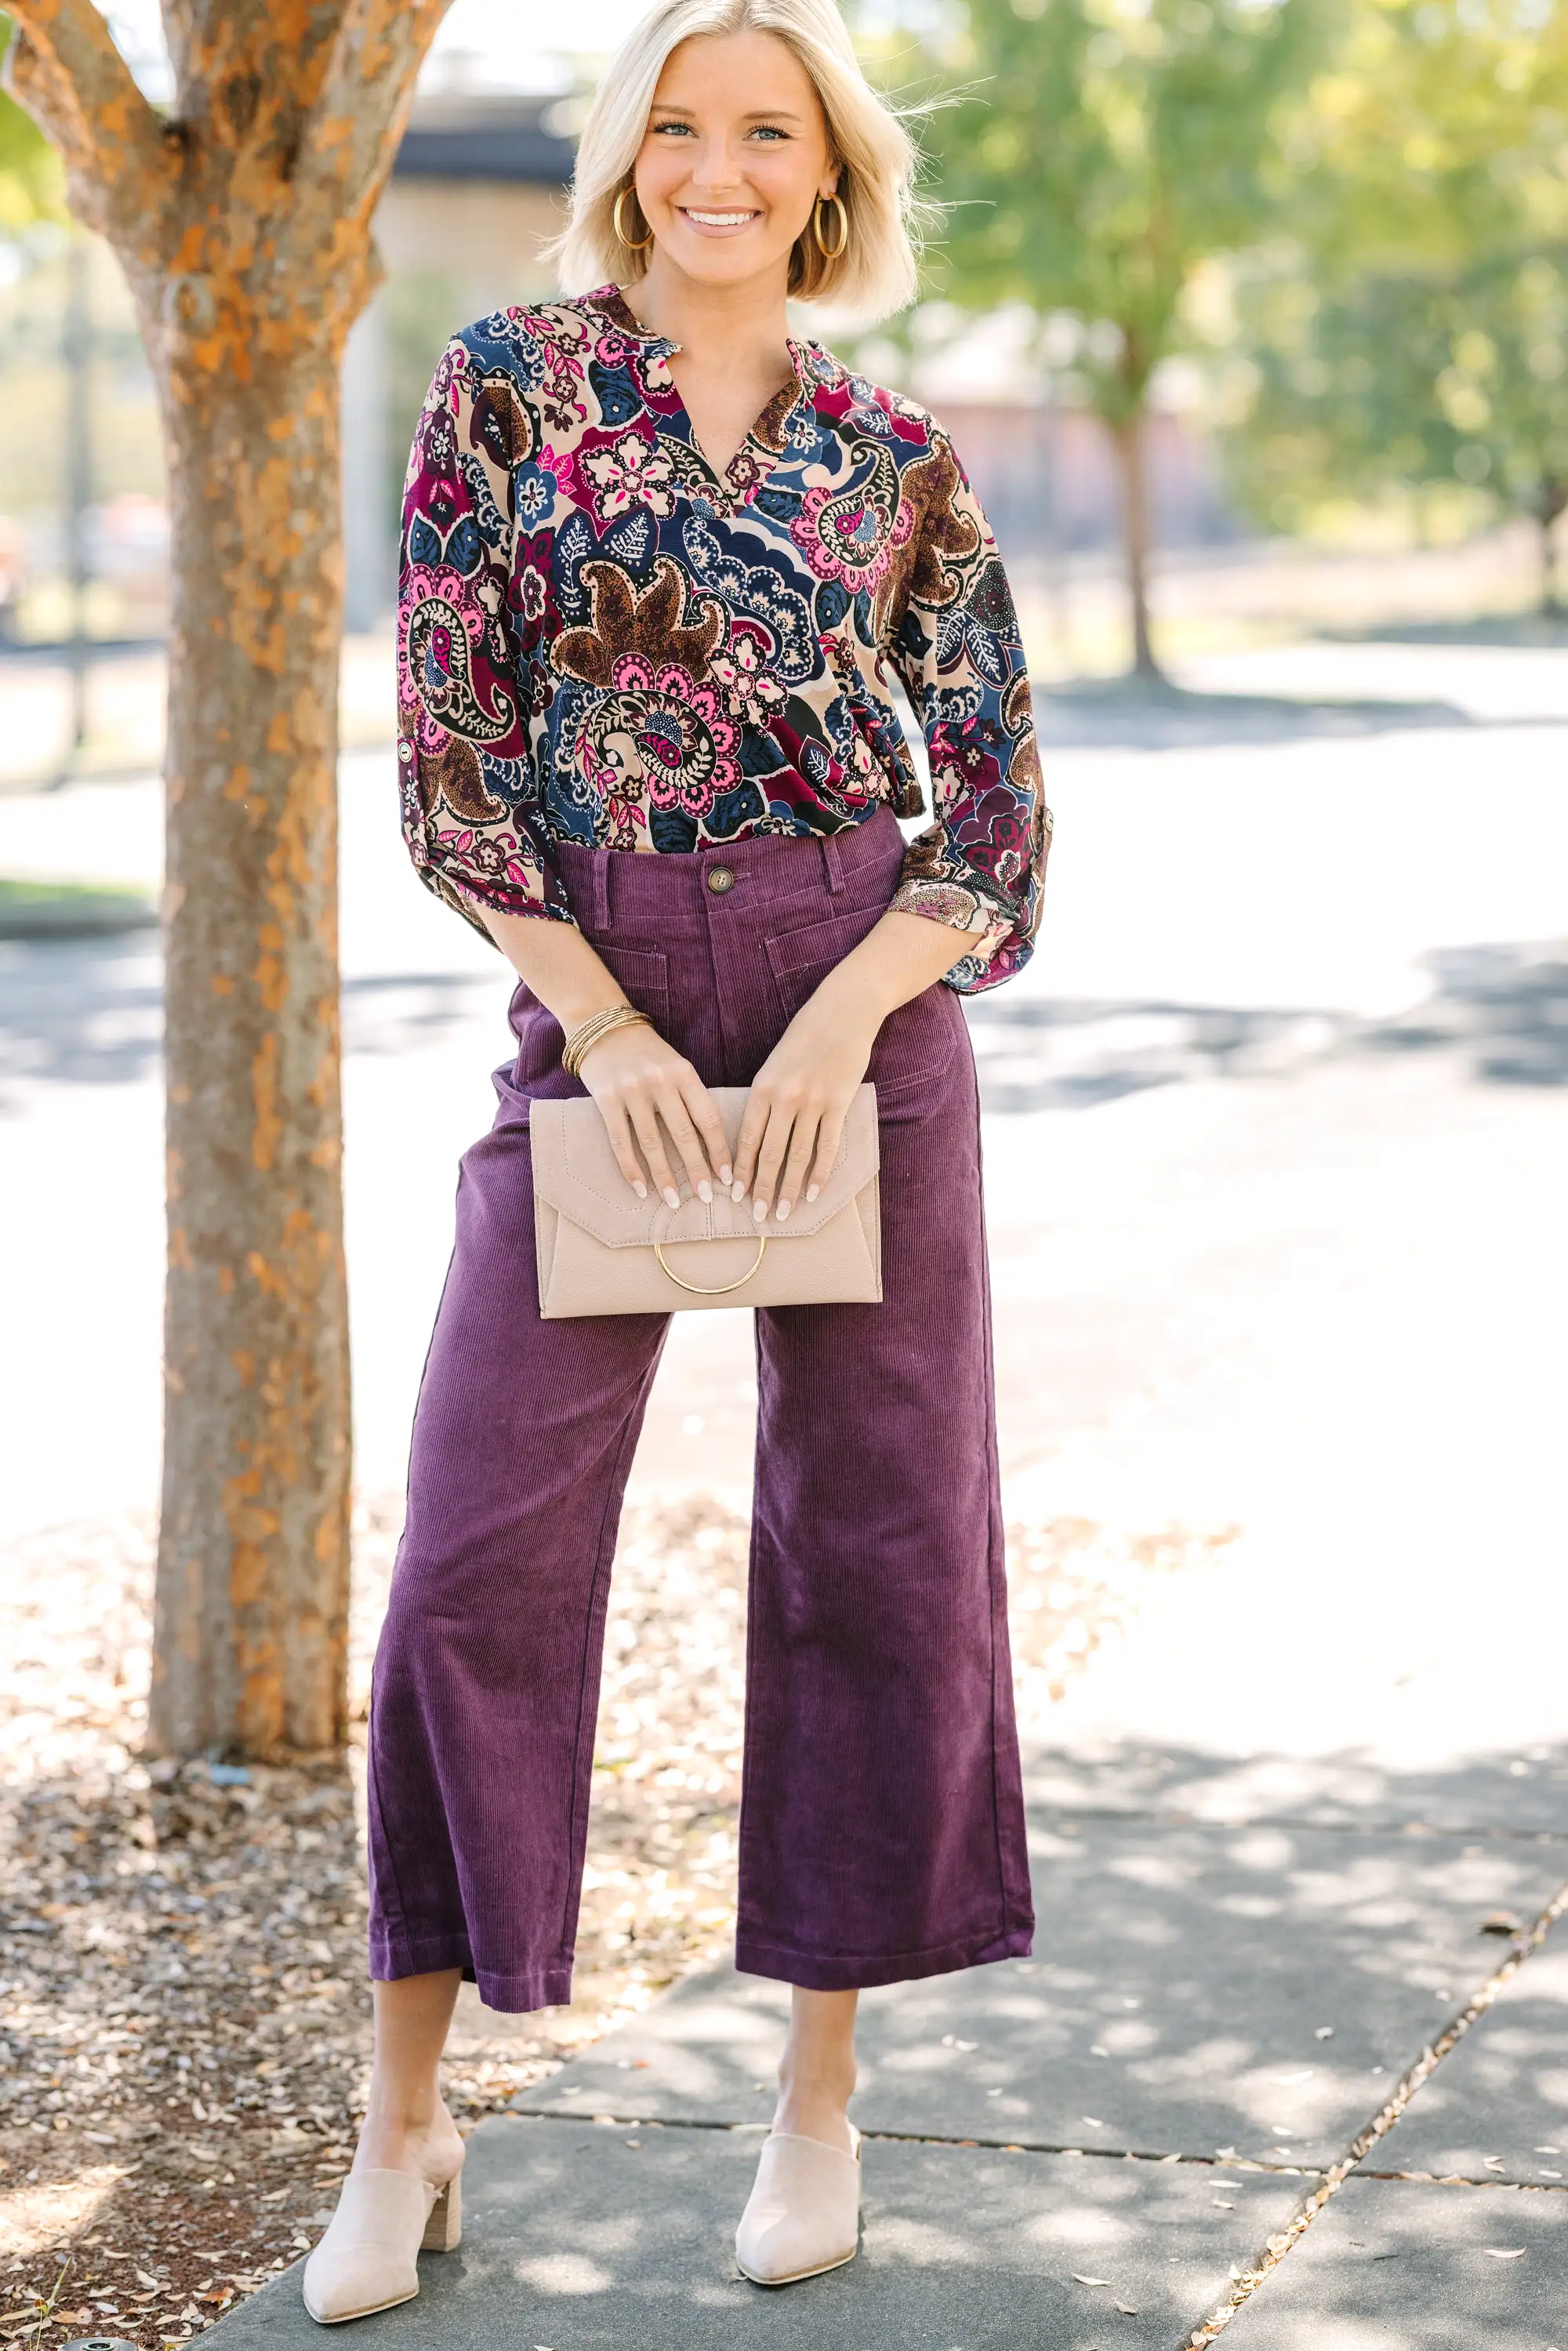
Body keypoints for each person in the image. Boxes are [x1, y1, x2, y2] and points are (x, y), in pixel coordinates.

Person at [303, 0, 1051, 2319]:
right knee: (470, 1561)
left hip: (861, 1009)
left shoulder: (894, 448)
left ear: (825, 178)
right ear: (629, 154)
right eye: (684, 126)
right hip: (592, 1007)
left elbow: (1000, 812)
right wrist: (614, 1026)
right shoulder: (509, 392)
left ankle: (815, 2096)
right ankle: (400, 2120)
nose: (721, 167)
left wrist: (837, 1021)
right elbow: (452, 766)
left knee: (878, 1539)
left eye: (771, 131)